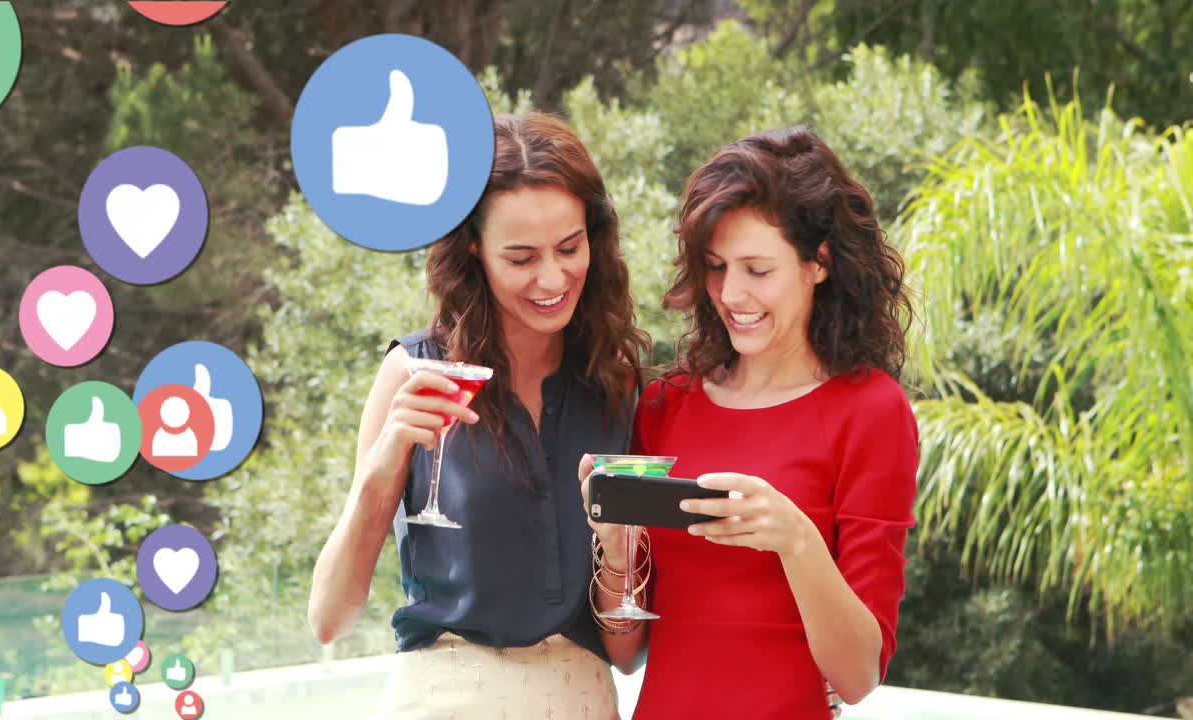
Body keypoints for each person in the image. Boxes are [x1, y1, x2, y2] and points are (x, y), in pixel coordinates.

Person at [308, 111, 649, 719]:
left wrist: (621, 553)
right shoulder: (414, 372)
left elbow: (626, 653)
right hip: (445, 698)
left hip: (581, 700)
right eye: (520, 258)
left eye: (570, 248)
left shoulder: (617, 385)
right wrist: (385, 464)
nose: (552, 277)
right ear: (473, 248)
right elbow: (330, 618)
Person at [582, 126, 918, 719]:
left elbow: (859, 674)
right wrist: (615, 548)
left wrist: (795, 538)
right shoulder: (666, 403)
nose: (731, 292)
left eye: (757, 269)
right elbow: (626, 651)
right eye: (715, 266)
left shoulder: (872, 411)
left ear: (819, 263)